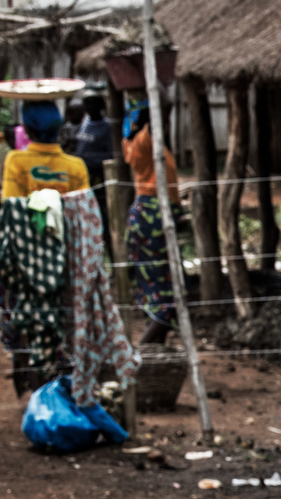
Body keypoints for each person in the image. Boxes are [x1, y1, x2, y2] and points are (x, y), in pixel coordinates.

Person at [0, 99, 90, 394]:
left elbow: (11, 208)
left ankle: (33, 390)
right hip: (64, 259)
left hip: (26, 260)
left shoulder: (16, 161)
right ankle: (59, 391)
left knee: (26, 320)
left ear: (27, 128)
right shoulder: (75, 166)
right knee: (59, 325)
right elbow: (81, 216)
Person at [121, 96, 181, 345]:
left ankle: (154, 353)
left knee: (160, 288)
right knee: (168, 295)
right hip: (154, 214)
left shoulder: (136, 143)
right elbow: (164, 106)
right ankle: (141, 354)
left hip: (148, 213)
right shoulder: (143, 141)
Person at [73, 89, 114, 250]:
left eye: (92, 103)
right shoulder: (85, 123)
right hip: (83, 177)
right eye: (86, 103)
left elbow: (110, 154)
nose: (88, 107)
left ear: (101, 105)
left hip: (98, 178)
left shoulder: (107, 127)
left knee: (101, 214)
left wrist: (89, 160)